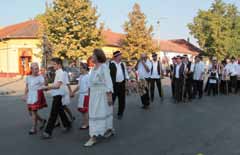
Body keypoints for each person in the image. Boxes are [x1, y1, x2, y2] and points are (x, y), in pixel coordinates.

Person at [84, 49, 114, 147]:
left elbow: (108, 82)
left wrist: (109, 96)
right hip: (94, 95)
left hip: (102, 95)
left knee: (102, 113)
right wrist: (89, 95)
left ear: (98, 56)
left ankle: (94, 137)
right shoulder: (93, 69)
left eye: (93, 55)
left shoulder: (103, 67)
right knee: (94, 114)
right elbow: (90, 84)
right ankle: (102, 131)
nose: (91, 57)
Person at [41, 58, 72, 139]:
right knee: (60, 111)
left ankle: (48, 132)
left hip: (59, 95)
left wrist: (47, 87)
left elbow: (58, 85)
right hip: (57, 94)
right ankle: (67, 124)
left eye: (54, 64)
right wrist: (48, 87)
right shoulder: (57, 72)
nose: (52, 65)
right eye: (52, 64)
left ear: (59, 65)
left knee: (53, 113)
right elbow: (55, 85)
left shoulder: (61, 73)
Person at [22, 62, 47, 135]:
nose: (37, 70)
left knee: (33, 112)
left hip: (37, 95)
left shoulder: (40, 77)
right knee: (30, 112)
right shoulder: (28, 77)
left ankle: (33, 128)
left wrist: (45, 78)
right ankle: (42, 120)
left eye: (37, 68)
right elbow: (27, 87)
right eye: (35, 69)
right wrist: (24, 95)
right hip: (30, 96)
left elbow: (45, 86)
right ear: (31, 69)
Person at [109, 51, 129, 120]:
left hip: (122, 84)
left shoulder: (122, 64)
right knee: (112, 99)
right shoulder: (110, 64)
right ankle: (108, 113)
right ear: (116, 57)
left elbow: (125, 72)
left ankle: (120, 113)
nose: (121, 56)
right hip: (114, 85)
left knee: (122, 99)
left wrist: (127, 80)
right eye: (120, 55)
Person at [72, 62, 90, 129]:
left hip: (86, 95)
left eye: (81, 68)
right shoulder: (81, 76)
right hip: (81, 95)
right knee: (82, 110)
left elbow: (89, 87)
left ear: (85, 68)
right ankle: (86, 122)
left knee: (85, 110)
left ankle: (86, 124)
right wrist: (73, 92)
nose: (80, 69)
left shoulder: (88, 76)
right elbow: (78, 86)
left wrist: (89, 96)